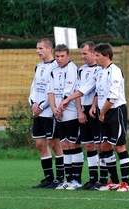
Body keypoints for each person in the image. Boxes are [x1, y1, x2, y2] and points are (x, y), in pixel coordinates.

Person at [60, 41, 108, 190]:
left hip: (96, 109)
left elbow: (96, 91)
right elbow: (79, 90)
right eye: (81, 54)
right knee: (88, 145)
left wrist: (92, 107)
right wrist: (80, 111)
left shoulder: (100, 70)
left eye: (85, 53)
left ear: (94, 53)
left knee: (100, 145)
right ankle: (93, 179)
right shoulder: (81, 70)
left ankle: (103, 179)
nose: (82, 57)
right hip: (84, 110)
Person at [89, 43, 129, 191]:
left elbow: (113, 96)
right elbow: (98, 93)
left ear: (106, 56)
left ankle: (126, 183)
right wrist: (95, 107)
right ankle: (113, 181)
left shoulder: (115, 71)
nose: (95, 57)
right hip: (104, 112)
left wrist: (102, 113)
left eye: (97, 55)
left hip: (115, 111)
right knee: (105, 146)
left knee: (119, 146)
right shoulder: (100, 72)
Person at [47, 44, 84, 190]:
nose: (59, 59)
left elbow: (68, 92)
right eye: (57, 56)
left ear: (68, 56)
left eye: (62, 56)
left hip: (71, 114)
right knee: (64, 146)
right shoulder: (53, 70)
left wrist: (60, 108)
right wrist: (54, 109)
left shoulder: (72, 69)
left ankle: (77, 180)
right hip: (58, 114)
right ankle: (68, 180)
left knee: (74, 144)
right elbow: (50, 91)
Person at [29, 38, 64, 189]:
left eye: (41, 48)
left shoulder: (56, 67)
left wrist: (41, 106)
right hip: (38, 113)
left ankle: (60, 179)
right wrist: (32, 104)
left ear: (50, 49)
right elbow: (34, 88)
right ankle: (48, 178)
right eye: (37, 48)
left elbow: (54, 90)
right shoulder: (38, 67)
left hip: (49, 112)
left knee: (55, 144)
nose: (38, 51)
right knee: (40, 144)